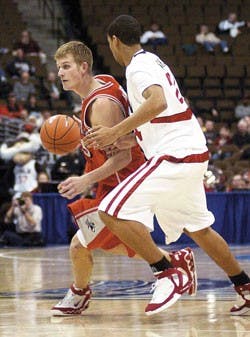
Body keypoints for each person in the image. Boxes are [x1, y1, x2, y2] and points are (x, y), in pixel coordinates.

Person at [84, 15, 250, 316]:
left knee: (109, 210)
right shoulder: (153, 62)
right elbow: (166, 114)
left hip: (176, 156)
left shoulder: (137, 67)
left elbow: (157, 102)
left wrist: (115, 131)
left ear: (114, 41)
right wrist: (131, 139)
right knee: (199, 229)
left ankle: (167, 271)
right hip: (189, 152)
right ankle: (245, 286)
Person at [51, 41, 196, 316]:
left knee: (79, 245)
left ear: (84, 68)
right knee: (113, 243)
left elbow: (122, 159)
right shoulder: (102, 82)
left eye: (66, 66)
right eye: (58, 67)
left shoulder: (101, 105)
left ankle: (80, 294)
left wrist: (85, 181)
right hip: (116, 180)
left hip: (121, 182)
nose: (60, 72)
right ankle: (175, 260)